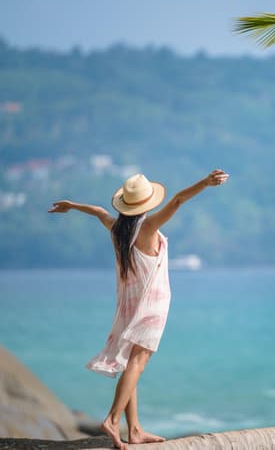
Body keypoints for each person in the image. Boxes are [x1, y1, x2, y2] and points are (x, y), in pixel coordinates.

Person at [48, 169, 229, 449]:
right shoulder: (148, 227)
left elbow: (98, 211)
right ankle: (112, 419)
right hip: (151, 306)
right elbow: (179, 200)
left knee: (130, 364)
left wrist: (71, 206)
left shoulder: (118, 228)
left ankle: (134, 430)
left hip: (128, 304)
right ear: (146, 202)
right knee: (137, 363)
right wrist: (205, 183)